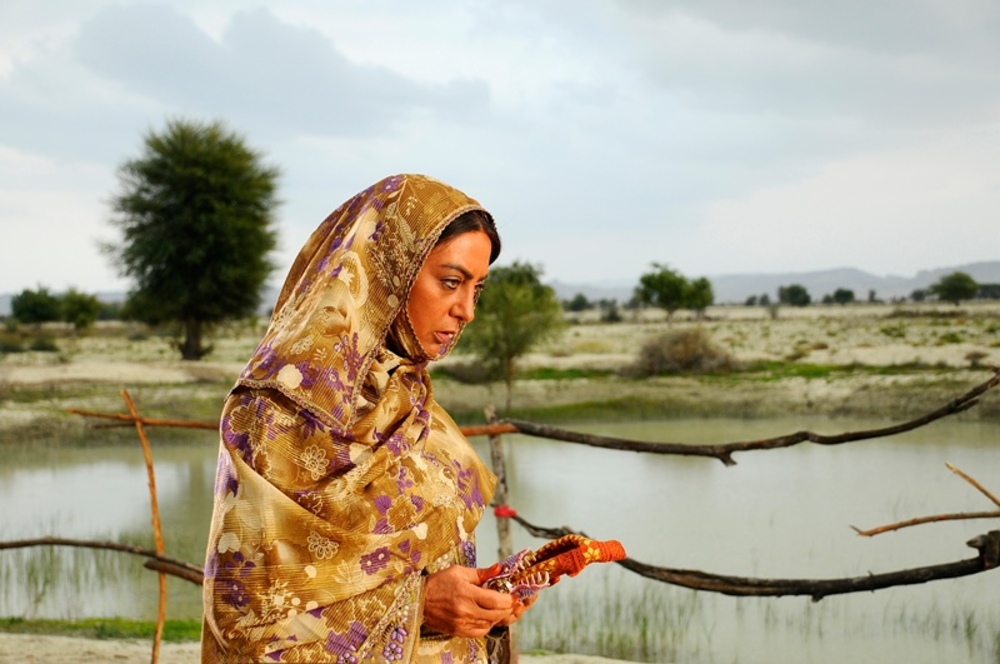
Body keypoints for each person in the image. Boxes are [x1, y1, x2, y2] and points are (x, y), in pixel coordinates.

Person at [201, 174, 530, 663]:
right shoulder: (273, 415)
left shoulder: (413, 405)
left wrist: (485, 596)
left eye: (477, 289)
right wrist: (419, 607)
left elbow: (431, 564)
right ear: (386, 271)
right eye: (451, 282)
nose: (467, 312)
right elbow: (243, 615)